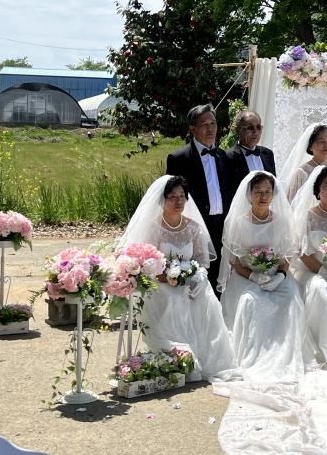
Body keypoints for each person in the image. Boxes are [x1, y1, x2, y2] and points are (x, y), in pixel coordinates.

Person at [117, 175, 238, 381]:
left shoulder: (193, 227)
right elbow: (148, 262)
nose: (178, 201)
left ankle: (207, 357)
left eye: (182, 196)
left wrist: (198, 275)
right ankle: (180, 356)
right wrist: (167, 277)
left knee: (207, 299)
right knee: (174, 301)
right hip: (161, 283)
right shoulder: (154, 228)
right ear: (162, 200)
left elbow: (201, 259)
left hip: (189, 282)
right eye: (172, 197)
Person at [218, 171, 307, 381]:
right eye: (258, 192)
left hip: (277, 275)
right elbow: (234, 261)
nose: (263, 196)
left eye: (267, 192)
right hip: (246, 276)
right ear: (249, 195)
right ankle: (253, 353)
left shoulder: (282, 221)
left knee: (291, 296)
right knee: (252, 301)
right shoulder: (238, 223)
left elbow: (286, 257)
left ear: (274, 195)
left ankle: (284, 352)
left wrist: (281, 276)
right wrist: (253, 277)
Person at [166, 104, 236, 292]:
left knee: (219, 277)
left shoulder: (224, 156)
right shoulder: (178, 158)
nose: (210, 129)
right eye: (204, 124)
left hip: (222, 226)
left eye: (213, 123)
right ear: (192, 129)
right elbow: (173, 196)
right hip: (195, 227)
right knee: (197, 278)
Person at [290, 165, 327, 369]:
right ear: (317, 190)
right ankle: (322, 348)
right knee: (321, 290)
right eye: (326, 186)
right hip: (312, 270)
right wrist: (323, 271)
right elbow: (303, 252)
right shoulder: (308, 216)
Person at [279, 123, 327, 202]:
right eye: (321, 141)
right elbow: (290, 203)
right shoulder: (302, 173)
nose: (326, 145)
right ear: (310, 146)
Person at [226, 110, 277, 189]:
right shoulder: (228, 157)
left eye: (258, 127)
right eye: (250, 128)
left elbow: (273, 185)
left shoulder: (268, 154)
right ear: (238, 130)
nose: (255, 132)